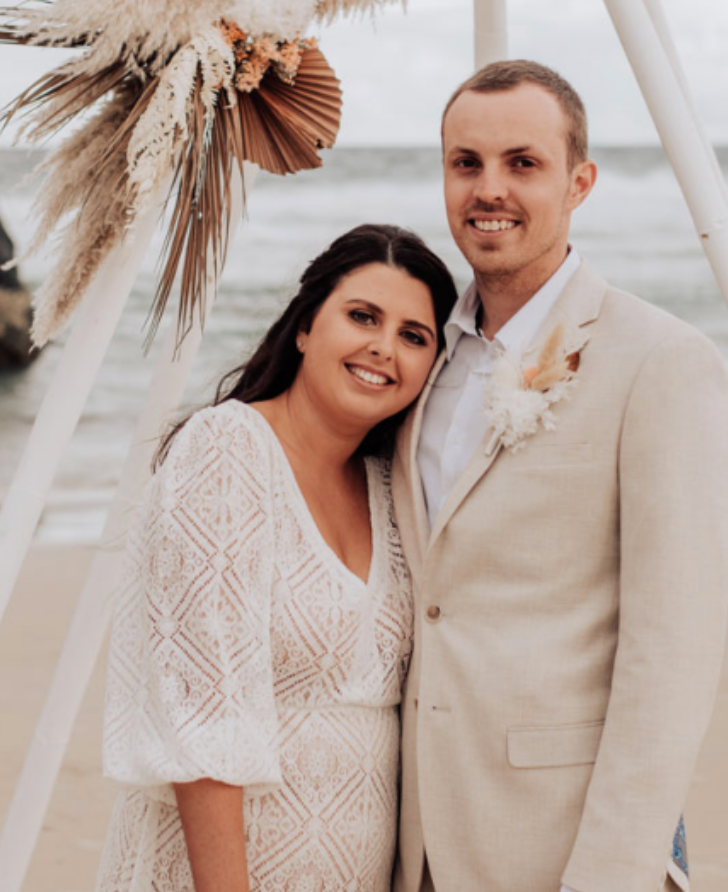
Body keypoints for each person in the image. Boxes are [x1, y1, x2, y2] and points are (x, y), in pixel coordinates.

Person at [391, 62, 728, 892]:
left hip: (568, 844)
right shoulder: (419, 359)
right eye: (465, 163)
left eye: (523, 162)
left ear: (579, 181)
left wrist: (614, 873)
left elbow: (672, 657)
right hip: (420, 841)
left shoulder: (660, 361)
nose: (489, 189)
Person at [95, 224, 458, 892]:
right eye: (362, 316)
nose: (384, 347)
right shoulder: (227, 450)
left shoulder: (392, 490)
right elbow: (202, 722)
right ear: (303, 327)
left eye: (415, 336)